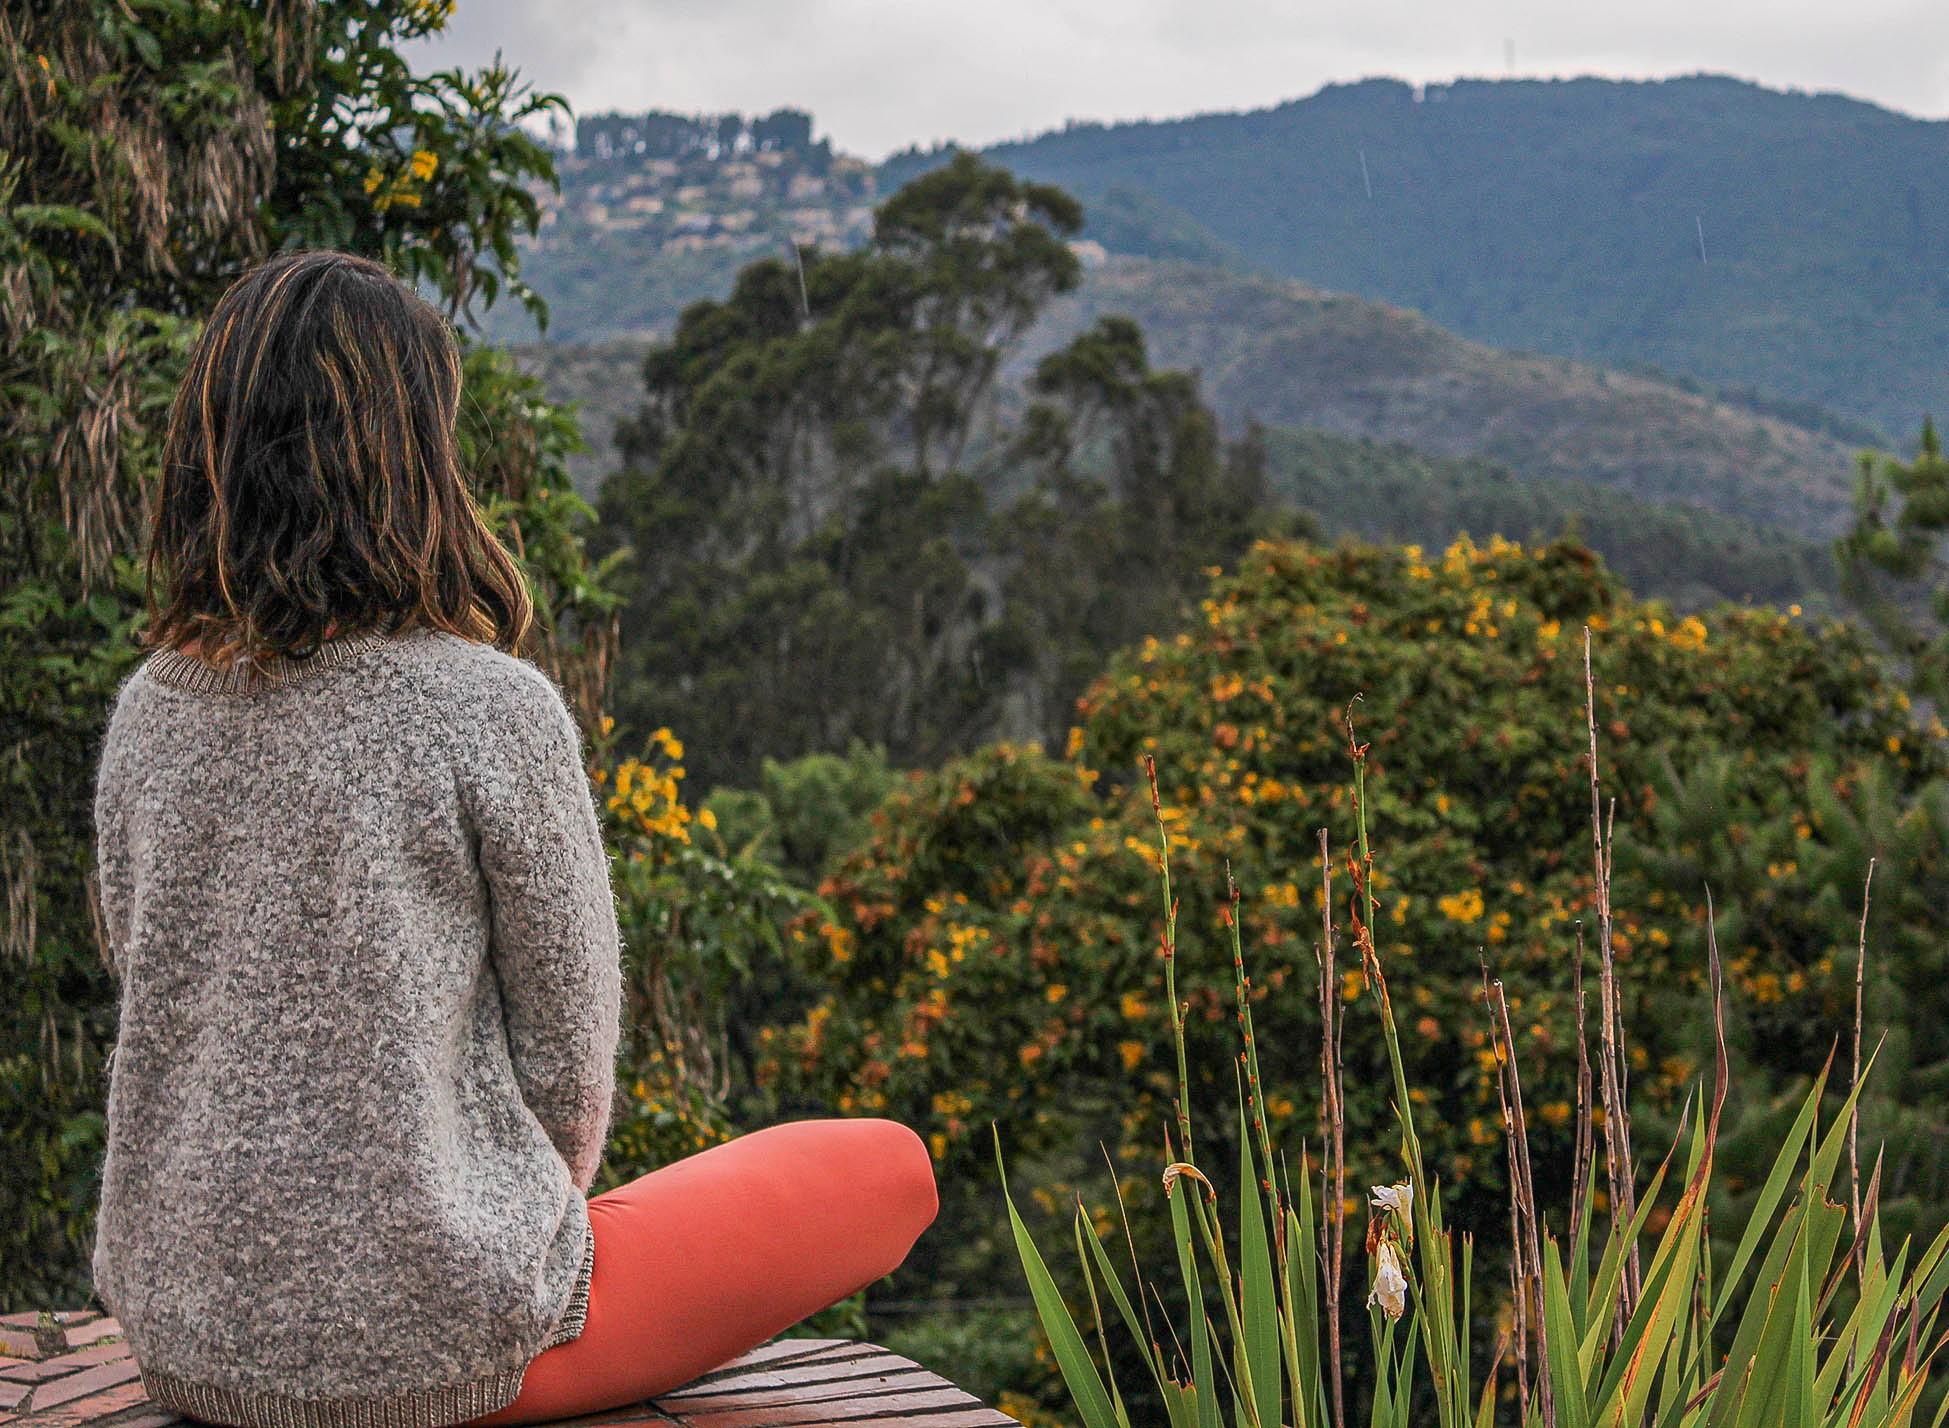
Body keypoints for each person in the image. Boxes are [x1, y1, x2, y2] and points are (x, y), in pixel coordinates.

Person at [89, 248, 938, 1428]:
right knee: (889, 1167)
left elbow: (155, 987)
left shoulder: (151, 711)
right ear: (416, 453)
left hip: (191, 1341)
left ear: (213, 451)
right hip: (443, 1348)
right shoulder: (486, 707)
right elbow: (568, 1075)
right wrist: (474, 1227)